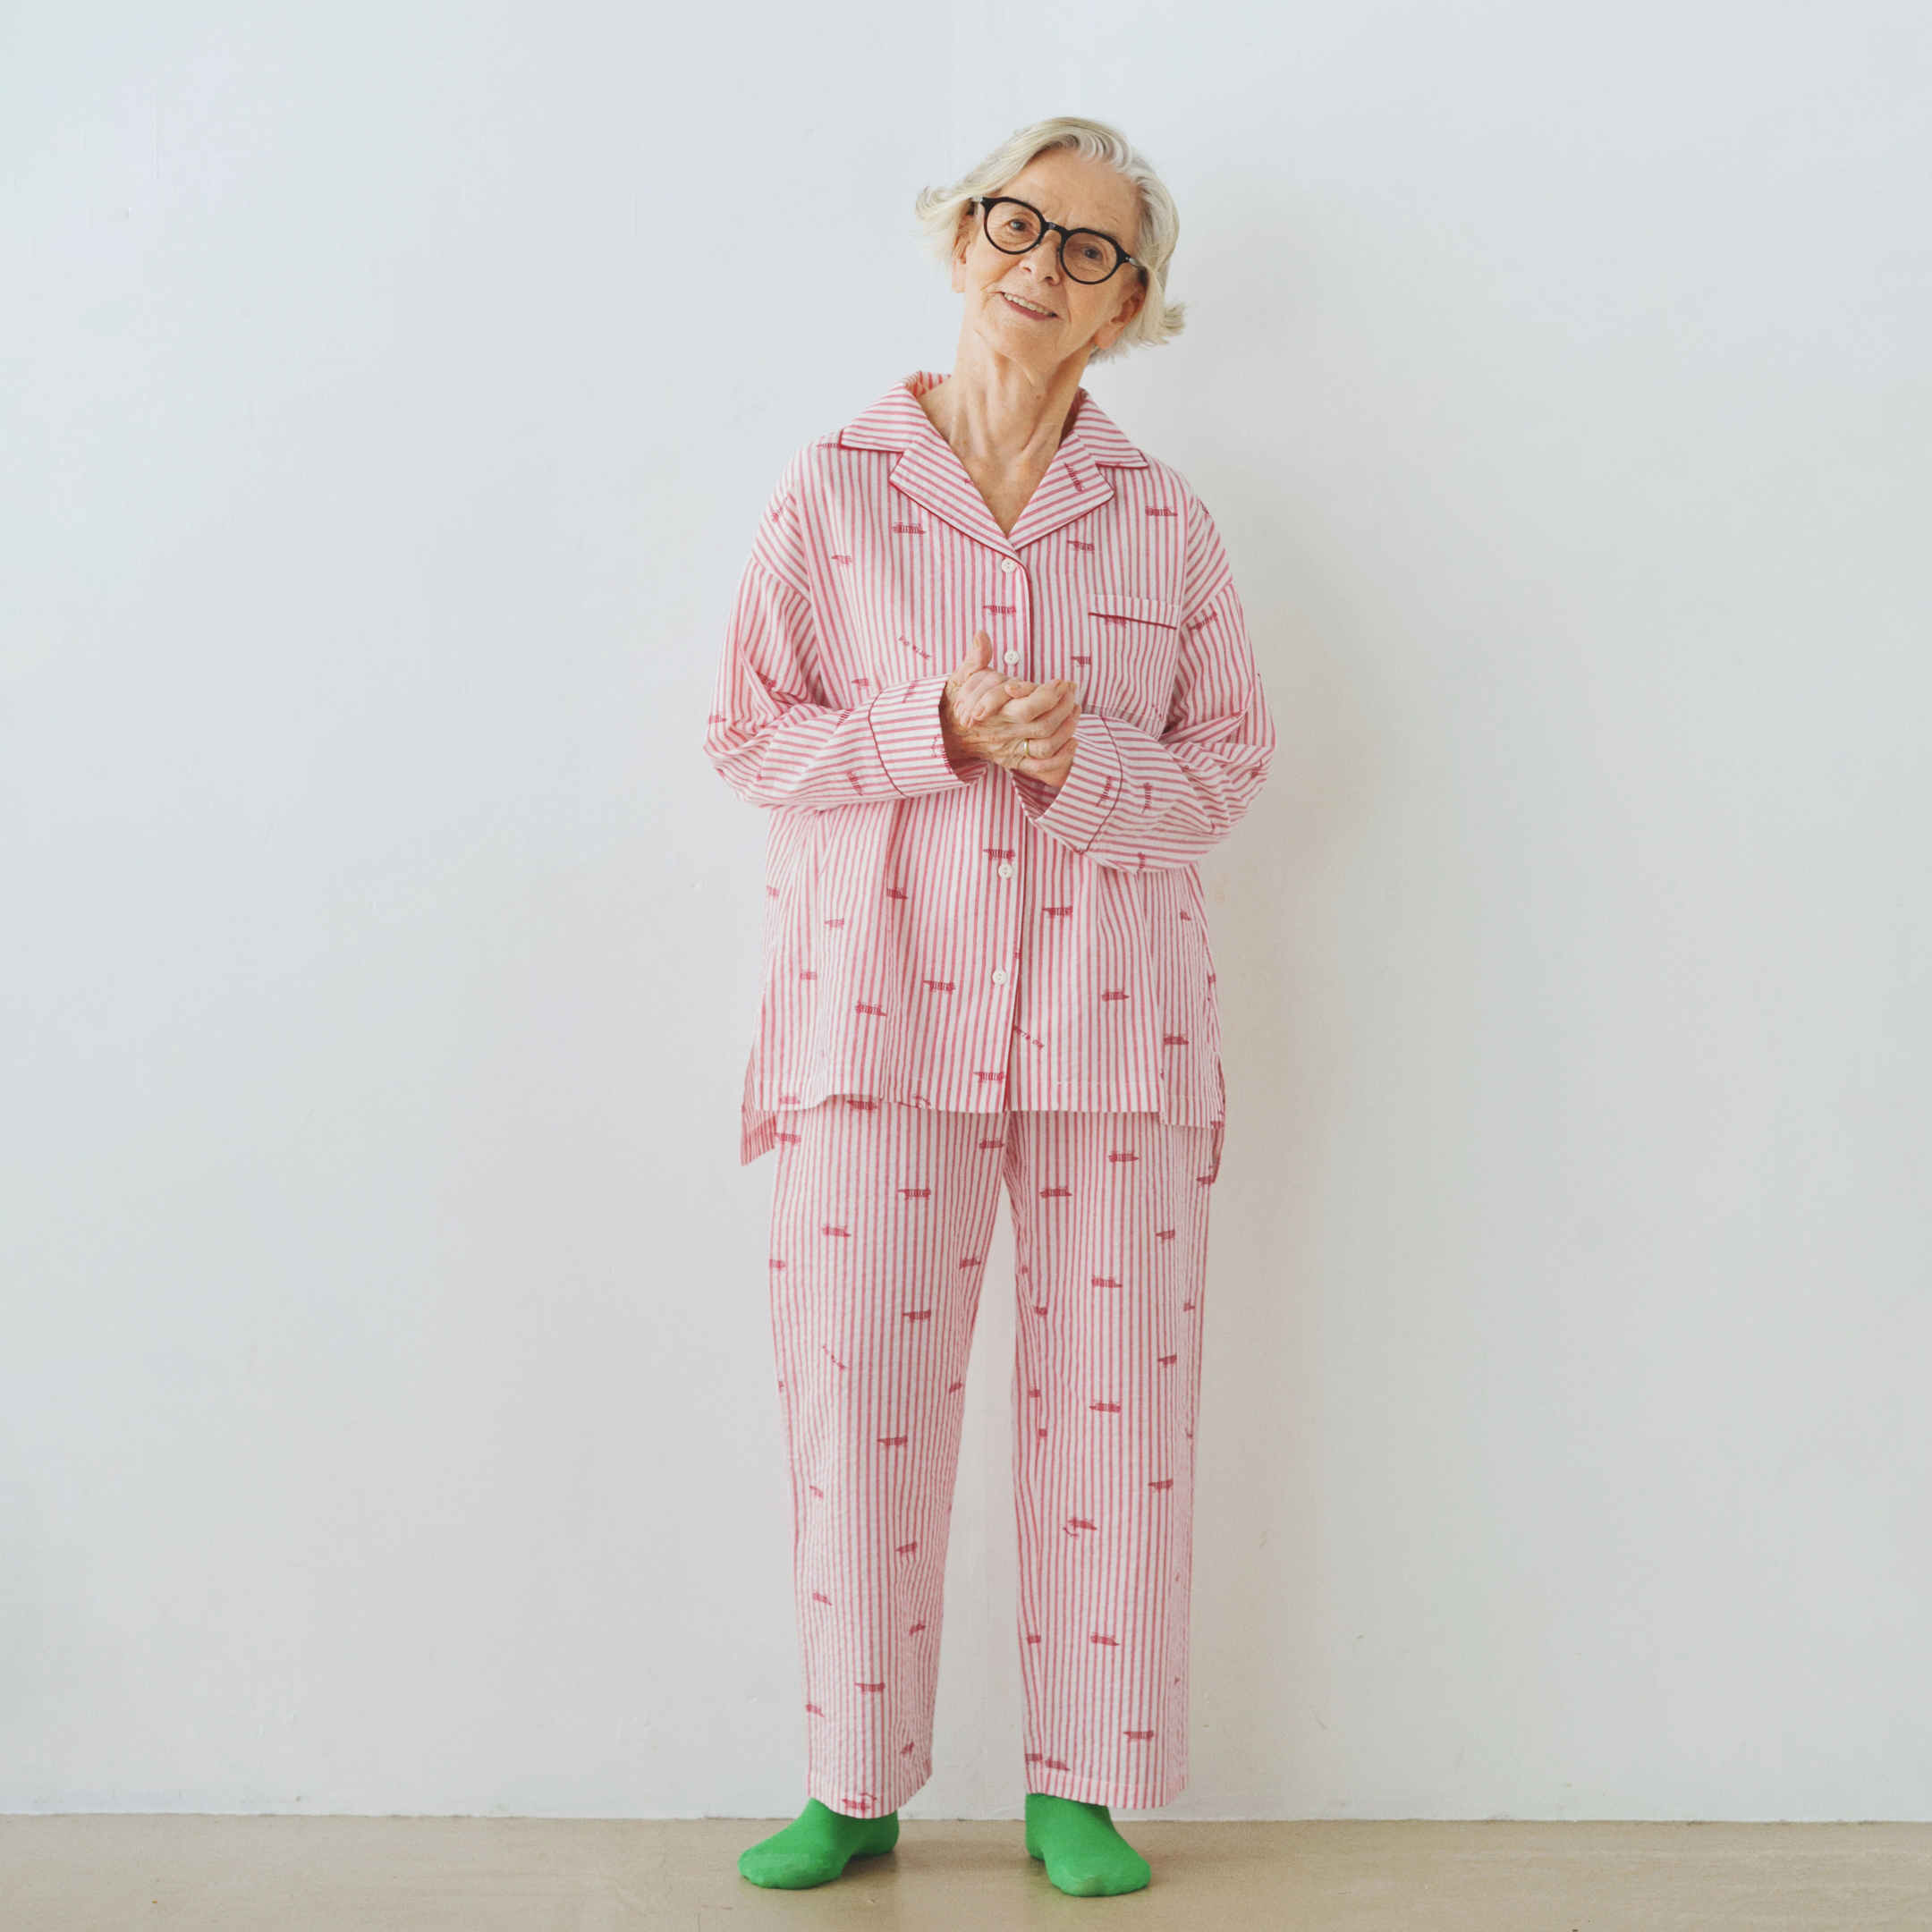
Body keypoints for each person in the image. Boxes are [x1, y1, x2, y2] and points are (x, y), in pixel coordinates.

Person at [702, 114, 1275, 1899]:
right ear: (961, 242)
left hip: (1112, 1031)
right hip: (869, 1024)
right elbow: (744, 737)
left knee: (1112, 1410)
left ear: (1127, 308)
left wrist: (1077, 761)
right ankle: (852, 1778)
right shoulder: (836, 488)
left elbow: (1233, 763)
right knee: (859, 1394)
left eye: (1090, 247)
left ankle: (1080, 1787)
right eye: (1016, 222)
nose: (1042, 261)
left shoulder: (1164, 520)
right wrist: (928, 733)